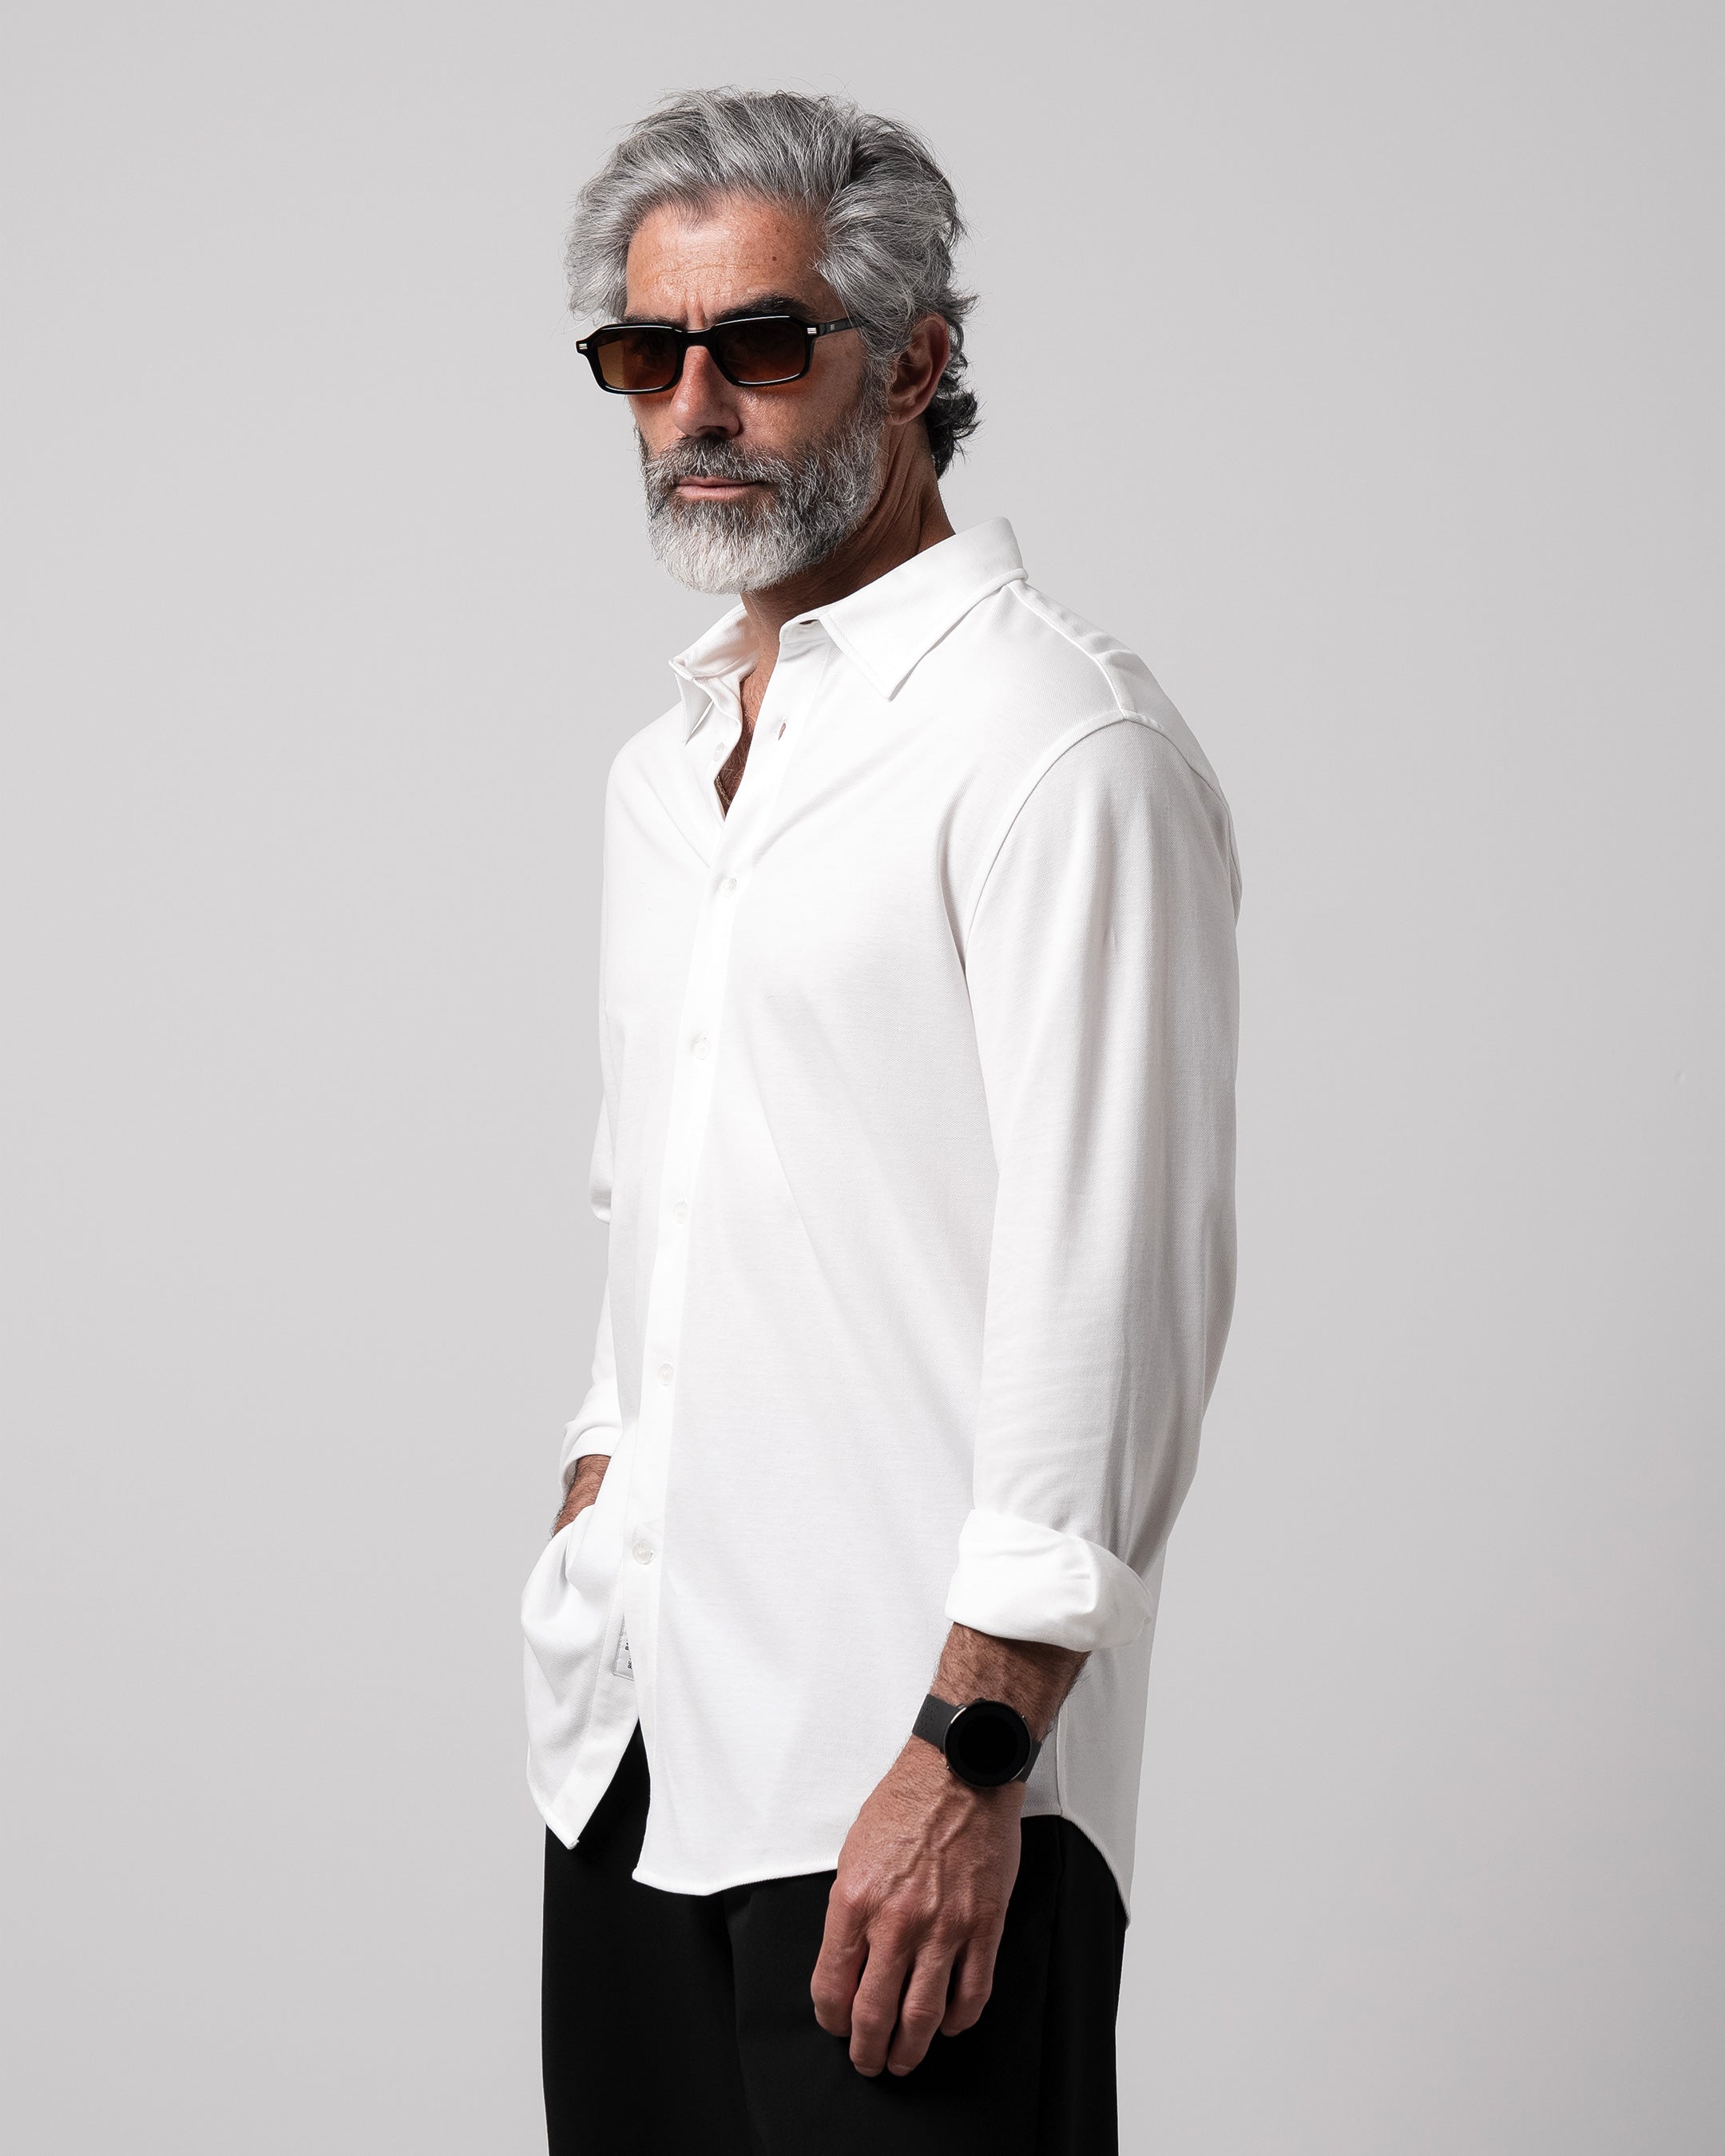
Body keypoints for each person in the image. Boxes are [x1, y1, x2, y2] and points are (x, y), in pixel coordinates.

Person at [521, 88, 1241, 2156]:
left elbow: (1112, 1288)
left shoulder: (1055, 745)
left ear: (916, 362)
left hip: (906, 1797)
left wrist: (971, 1756)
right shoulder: (663, 781)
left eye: (759, 343)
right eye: (643, 353)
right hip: (629, 1761)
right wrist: (595, 1479)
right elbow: (659, 1207)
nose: (693, 406)